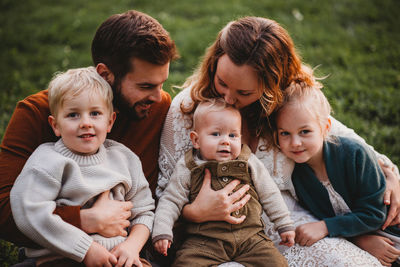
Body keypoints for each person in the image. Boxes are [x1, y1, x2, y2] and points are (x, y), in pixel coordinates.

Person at [157, 16, 400, 266]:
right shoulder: (188, 110)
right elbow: (165, 192)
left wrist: (389, 173)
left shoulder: (287, 103)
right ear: (213, 65)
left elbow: (338, 137)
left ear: (272, 86)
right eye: (222, 83)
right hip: (210, 239)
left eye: (244, 92)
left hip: (289, 229)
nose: (229, 98)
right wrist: (194, 212)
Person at [0, 9, 178, 252]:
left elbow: (154, 201)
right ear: (105, 74)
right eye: (146, 85)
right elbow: (5, 213)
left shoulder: (158, 108)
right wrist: (86, 220)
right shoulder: (36, 113)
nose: (158, 96)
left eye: (162, 83)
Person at [10, 67, 155, 267]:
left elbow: (145, 211)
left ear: (110, 121)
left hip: (120, 256)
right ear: (55, 125)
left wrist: (132, 246)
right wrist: (86, 249)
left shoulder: (124, 158)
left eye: (95, 113)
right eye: (73, 115)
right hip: (62, 257)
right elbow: (29, 212)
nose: (86, 123)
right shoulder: (47, 160)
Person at [153, 99, 294, 266]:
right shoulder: (188, 166)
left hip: (250, 238)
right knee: (185, 263)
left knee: (277, 263)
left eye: (232, 135)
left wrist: (284, 224)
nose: (226, 141)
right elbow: (171, 200)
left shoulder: (248, 161)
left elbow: (269, 193)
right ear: (196, 140)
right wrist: (162, 231)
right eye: (216, 134)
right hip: (204, 242)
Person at [273, 80, 400, 264]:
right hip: (373, 241)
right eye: (285, 133)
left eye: (305, 131)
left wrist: (325, 226)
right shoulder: (298, 176)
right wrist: (361, 241)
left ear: (325, 128)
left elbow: (374, 213)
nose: (295, 143)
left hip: (393, 227)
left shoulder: (353, 154)